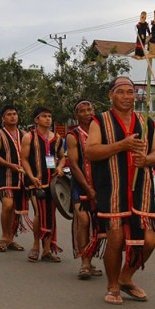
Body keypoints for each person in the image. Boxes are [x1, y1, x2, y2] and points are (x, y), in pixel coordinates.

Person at [85, 76, 155, 306]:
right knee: (116, 238)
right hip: (113, 188)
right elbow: (90, 152)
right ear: (111, 95)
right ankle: (113, 285)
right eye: (121, 92)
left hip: (142, 188)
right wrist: (123, 145)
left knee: (150, 240)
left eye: (130, 92)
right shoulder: (100, 121)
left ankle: (126, 276)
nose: (127, 97)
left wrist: (147, 159)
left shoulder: (145, 121)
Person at [20, 107, 65, 262]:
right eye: (44, 116)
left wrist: (59, 167)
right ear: (36, 119)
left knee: (50, 215)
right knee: (39, 213)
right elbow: (24, 159)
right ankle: (35, 246)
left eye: (49, 116)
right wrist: (31, 176)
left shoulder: (57, 138)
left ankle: (47, 250)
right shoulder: (29, 137)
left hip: (52, 183)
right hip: (36, 183)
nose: (48, 119)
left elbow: (62, 157)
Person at [66, 100, 104, 279]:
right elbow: (73, 164)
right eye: (83, 110)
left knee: (98, 223)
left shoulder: (102, 132)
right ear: (77, 115)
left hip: (101, 184)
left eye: (90, 109)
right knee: (83, 220)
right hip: (80, 185)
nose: (88, 112)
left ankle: (92, 259)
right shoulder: (73, 135)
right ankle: (85, 263)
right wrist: (88, 188)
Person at [0, 104, 27, 252]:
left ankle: (11, 239)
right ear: (3, 118)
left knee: (17, 209)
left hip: (22, 177)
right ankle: (4, 237)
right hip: (5, 176)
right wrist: (9, 165)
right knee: (7, 205)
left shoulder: (24, 134)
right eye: (9, 114)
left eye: (14, 114)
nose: (13, 116)